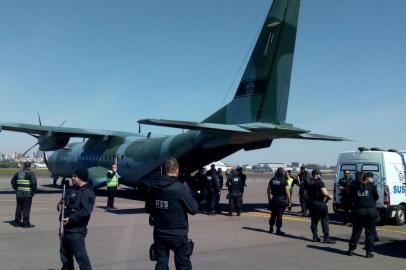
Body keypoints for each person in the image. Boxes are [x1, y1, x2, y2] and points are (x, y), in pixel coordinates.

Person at [145, 157, 198, 270]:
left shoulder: (154, 187)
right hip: (177, 234)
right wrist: (191, 195)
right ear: (177, 170)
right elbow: (194, 209)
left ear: (164, 170)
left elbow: (148, 208)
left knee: (161, 263)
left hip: (160, 232)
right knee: (183, 265)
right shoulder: (180, 188)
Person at [59, 168, 95, 270]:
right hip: (65, 228)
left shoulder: (87, 192)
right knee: (65, 256)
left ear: (81, 177)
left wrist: (70, 218)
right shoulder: (73, 190)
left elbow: (85, 212)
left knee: (81, 257)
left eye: (75, 176)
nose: (72, 178)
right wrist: (61, 202)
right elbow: (66, 201)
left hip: (76, 230)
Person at [348, 172, 379, 258]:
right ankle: (368, 252)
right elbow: (376, 197)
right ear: (366, 178)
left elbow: (351, 198)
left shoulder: (354, 188)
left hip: (359, 211)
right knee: (370, 233)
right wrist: (371, 183)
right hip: (370, 211)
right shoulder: (372, 186)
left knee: (356, 232)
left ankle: (351, 249)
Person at [305, 169, 336, 244]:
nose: (320, 175)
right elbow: (325, 193)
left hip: (312, 204)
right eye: (319, 174)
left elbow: (306, 194)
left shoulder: (309, 183)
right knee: (324, 221)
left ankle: (315, 237)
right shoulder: (320, 182)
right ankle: (326, 238)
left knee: (314, 221)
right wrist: (330, 196)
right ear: (316, 174)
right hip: (320, 205)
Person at [10, 161, 37, 228]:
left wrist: (16, 188)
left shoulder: (18, 173)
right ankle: (25, 223)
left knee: (19, 207)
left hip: (19, 193)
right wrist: (32, 192)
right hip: (27, 194)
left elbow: (12, 181)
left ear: (24, 166)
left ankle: (17, 222)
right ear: (29, 166)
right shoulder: (30, 174)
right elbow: (34, 184)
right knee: (26, 209)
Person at [267, 168, 291, 235]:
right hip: (281, 200)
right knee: (279, 216)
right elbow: (287, 192)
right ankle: (278, 230)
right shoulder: (284, 181)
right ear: (282, 173)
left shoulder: (272, 180)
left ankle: (271, 228)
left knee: (273, 215)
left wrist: (269, 199)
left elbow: (268, 190)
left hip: (274, 199)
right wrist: (289, 201)